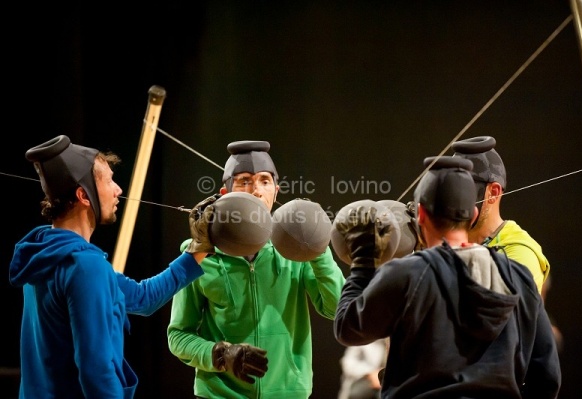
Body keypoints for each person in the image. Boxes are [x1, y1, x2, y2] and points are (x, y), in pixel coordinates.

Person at [333, 156, 561, 398]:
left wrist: (363, 262)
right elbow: (547, 376)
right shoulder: (518, 276)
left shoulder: (406, 274)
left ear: (420, 215)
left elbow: (348, 329)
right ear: (472, 214)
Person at [9, 135, 212, 399]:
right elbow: (97, 370)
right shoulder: (85, 266)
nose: (118, 190)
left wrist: (200, 246)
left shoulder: (45, 251)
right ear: (83, 195)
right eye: (109, 181)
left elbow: (143, 297)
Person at [167, 140, 345, 399]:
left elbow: (337, 308)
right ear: (225, 193)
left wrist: (318, 247)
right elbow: (178, 335)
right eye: (243, 181)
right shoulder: (199, 253)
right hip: (219, 395)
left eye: (264, 181)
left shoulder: (296, 247)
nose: (256, 191)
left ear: (276, 191)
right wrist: (220, 355)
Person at [451, 136, 550, 293]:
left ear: (493, 192)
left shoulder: (521, 252)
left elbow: (500, 309)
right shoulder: (446, 237)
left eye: (465, 190)